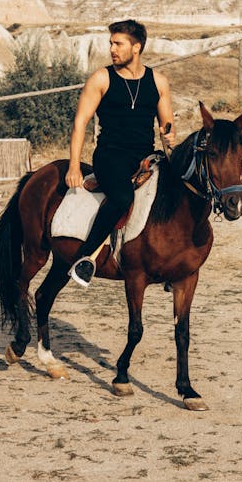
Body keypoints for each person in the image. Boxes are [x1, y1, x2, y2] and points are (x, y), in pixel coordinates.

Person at [66, 19, 176, 286]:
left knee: (180, 191)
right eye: (111, 43)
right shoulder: (102, 78)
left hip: (146, 157)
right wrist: (73, 167)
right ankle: (84, 258)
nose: (112, 49)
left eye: (118, 44)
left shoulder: (158, 82)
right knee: (123, 196)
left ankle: (173, 263)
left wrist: (171, 145)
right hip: (110, 156)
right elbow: (80, 122)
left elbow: (167, 129)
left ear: (136, 47)